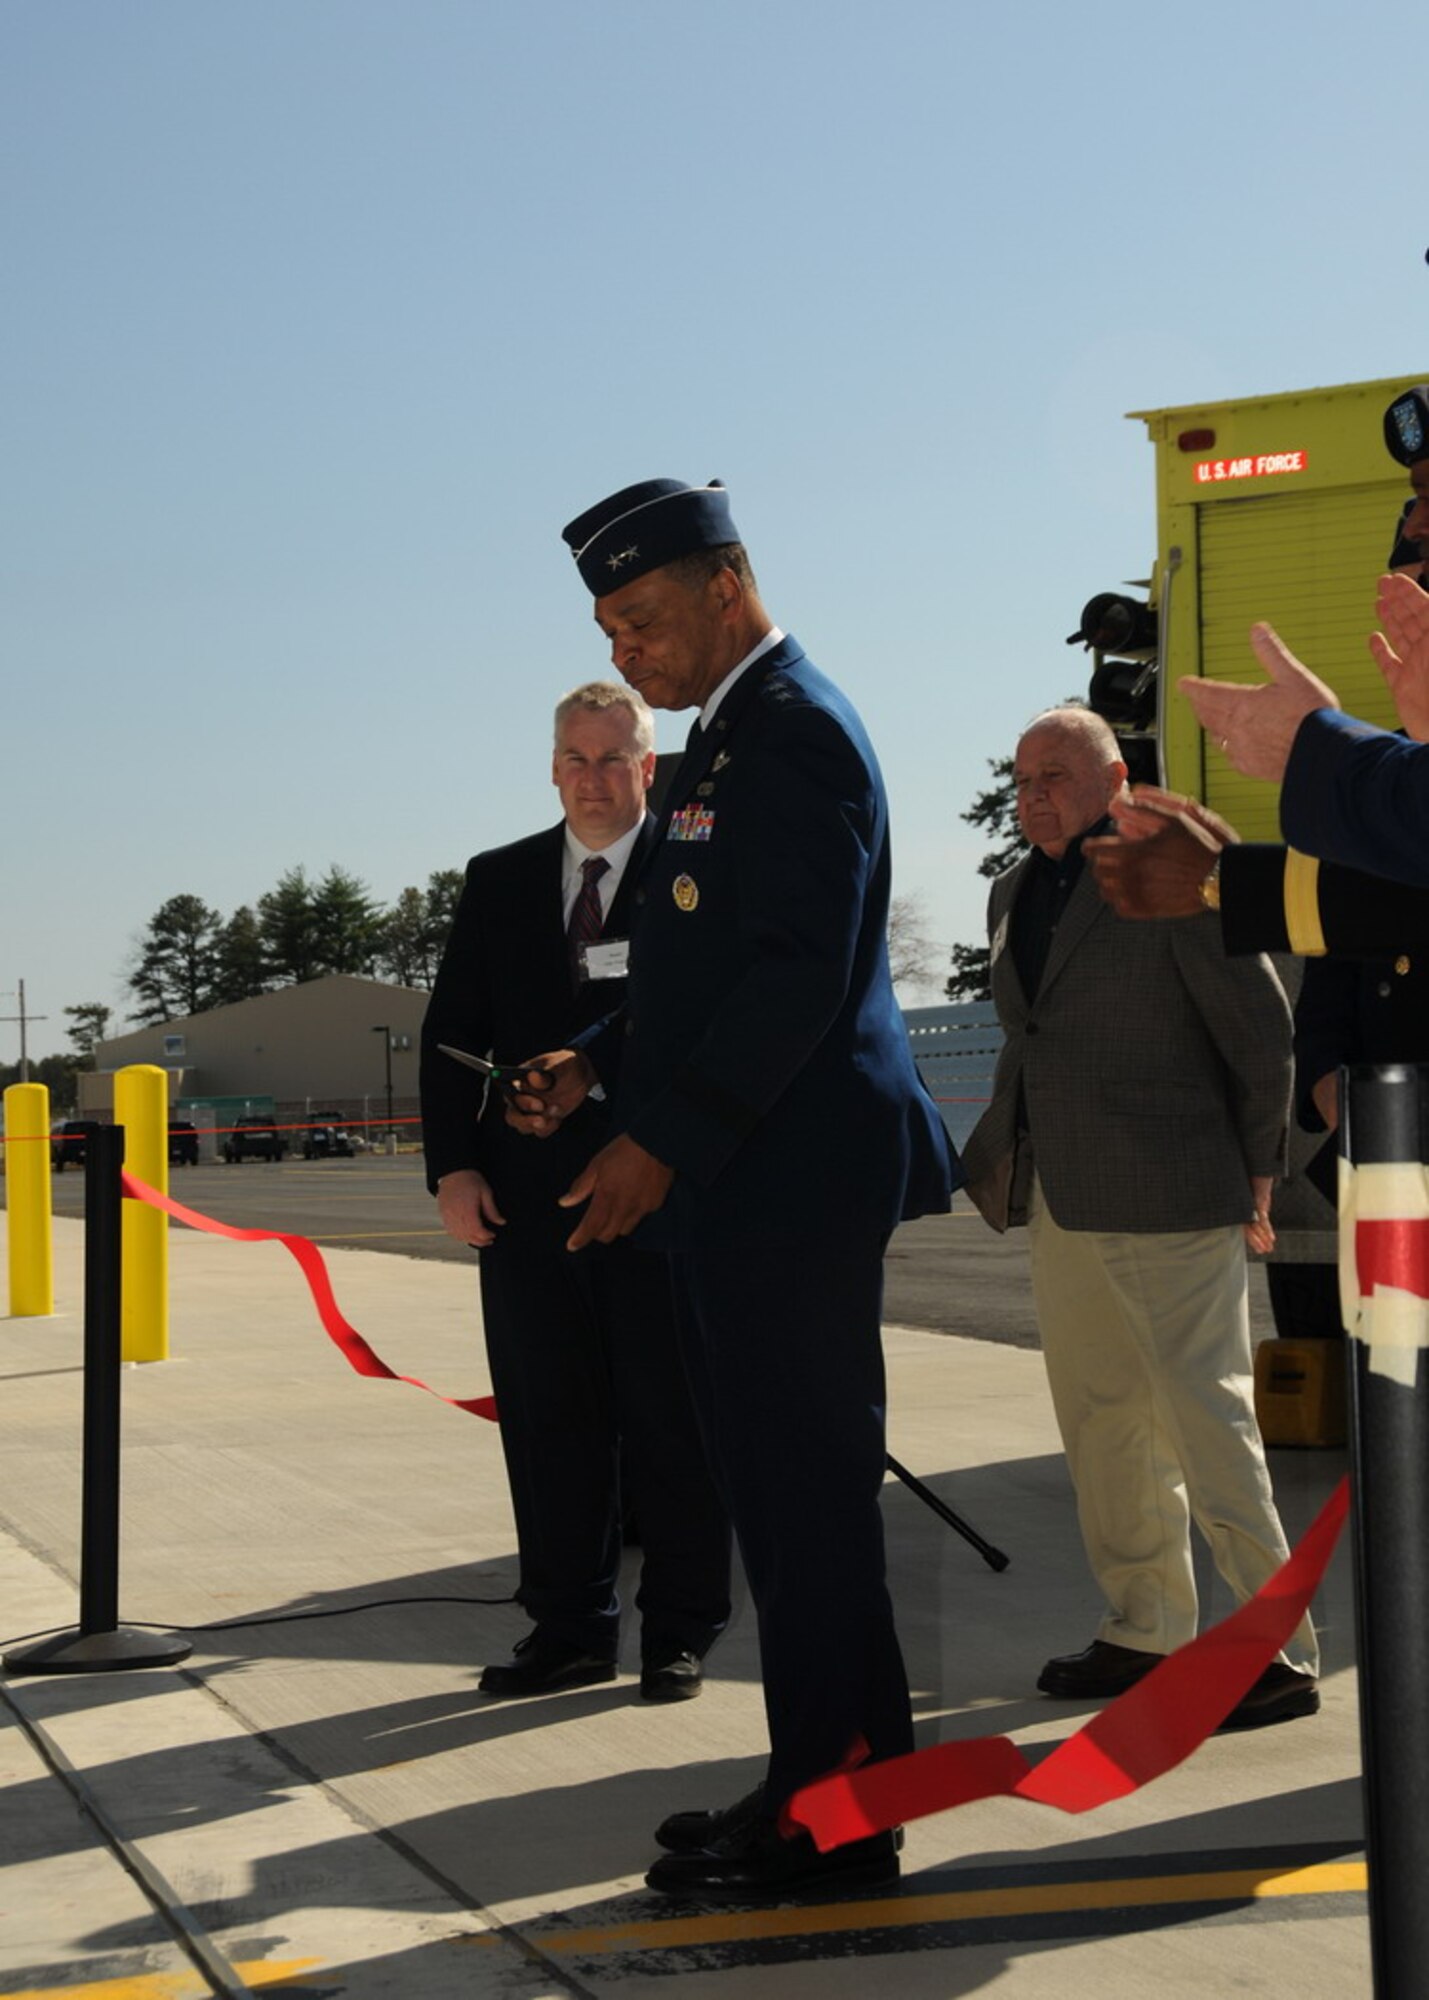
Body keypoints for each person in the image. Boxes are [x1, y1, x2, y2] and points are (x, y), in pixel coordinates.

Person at [512, 477, 958, 1902]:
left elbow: (796, 978)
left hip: (786, 1187)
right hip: (744, 1187)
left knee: (809, 1505)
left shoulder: (799, 734)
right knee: (779, 1502)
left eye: (640, 616)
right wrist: (595, 1067)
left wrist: (659, 1145)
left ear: (726, 582)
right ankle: (816, 1783)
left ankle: (838, 1820)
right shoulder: (722, 745)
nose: (625, 647)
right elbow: (696, 973)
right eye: (605, 626)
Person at [960, 707, 1320, 1725]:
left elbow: (1260, 1030)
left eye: (1058, 775)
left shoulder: (1169, 874)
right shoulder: (1008, 890)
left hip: (1174, 1187)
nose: (1035, 793)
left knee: (1206, 1414)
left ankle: (1274, 1649)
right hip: (1059, 1193)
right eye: (1024, 777)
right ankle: (1143, 1624)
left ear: (1116, 778)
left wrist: (1263, 1168)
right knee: (1101, 1417)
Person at [419, 681, 731, 1705]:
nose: (594, 778)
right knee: (549, 1422)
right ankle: (567, 1627)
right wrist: (453, 1166)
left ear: (651, 768)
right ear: (552, 767)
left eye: (615, 758)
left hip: (658, 1191)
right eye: (576, 757)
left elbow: (703, 1019)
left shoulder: (695, 874)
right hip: (524, 1205)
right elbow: (451, 1033)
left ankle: (680, 1628)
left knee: (671, 1419)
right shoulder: (499, 878)